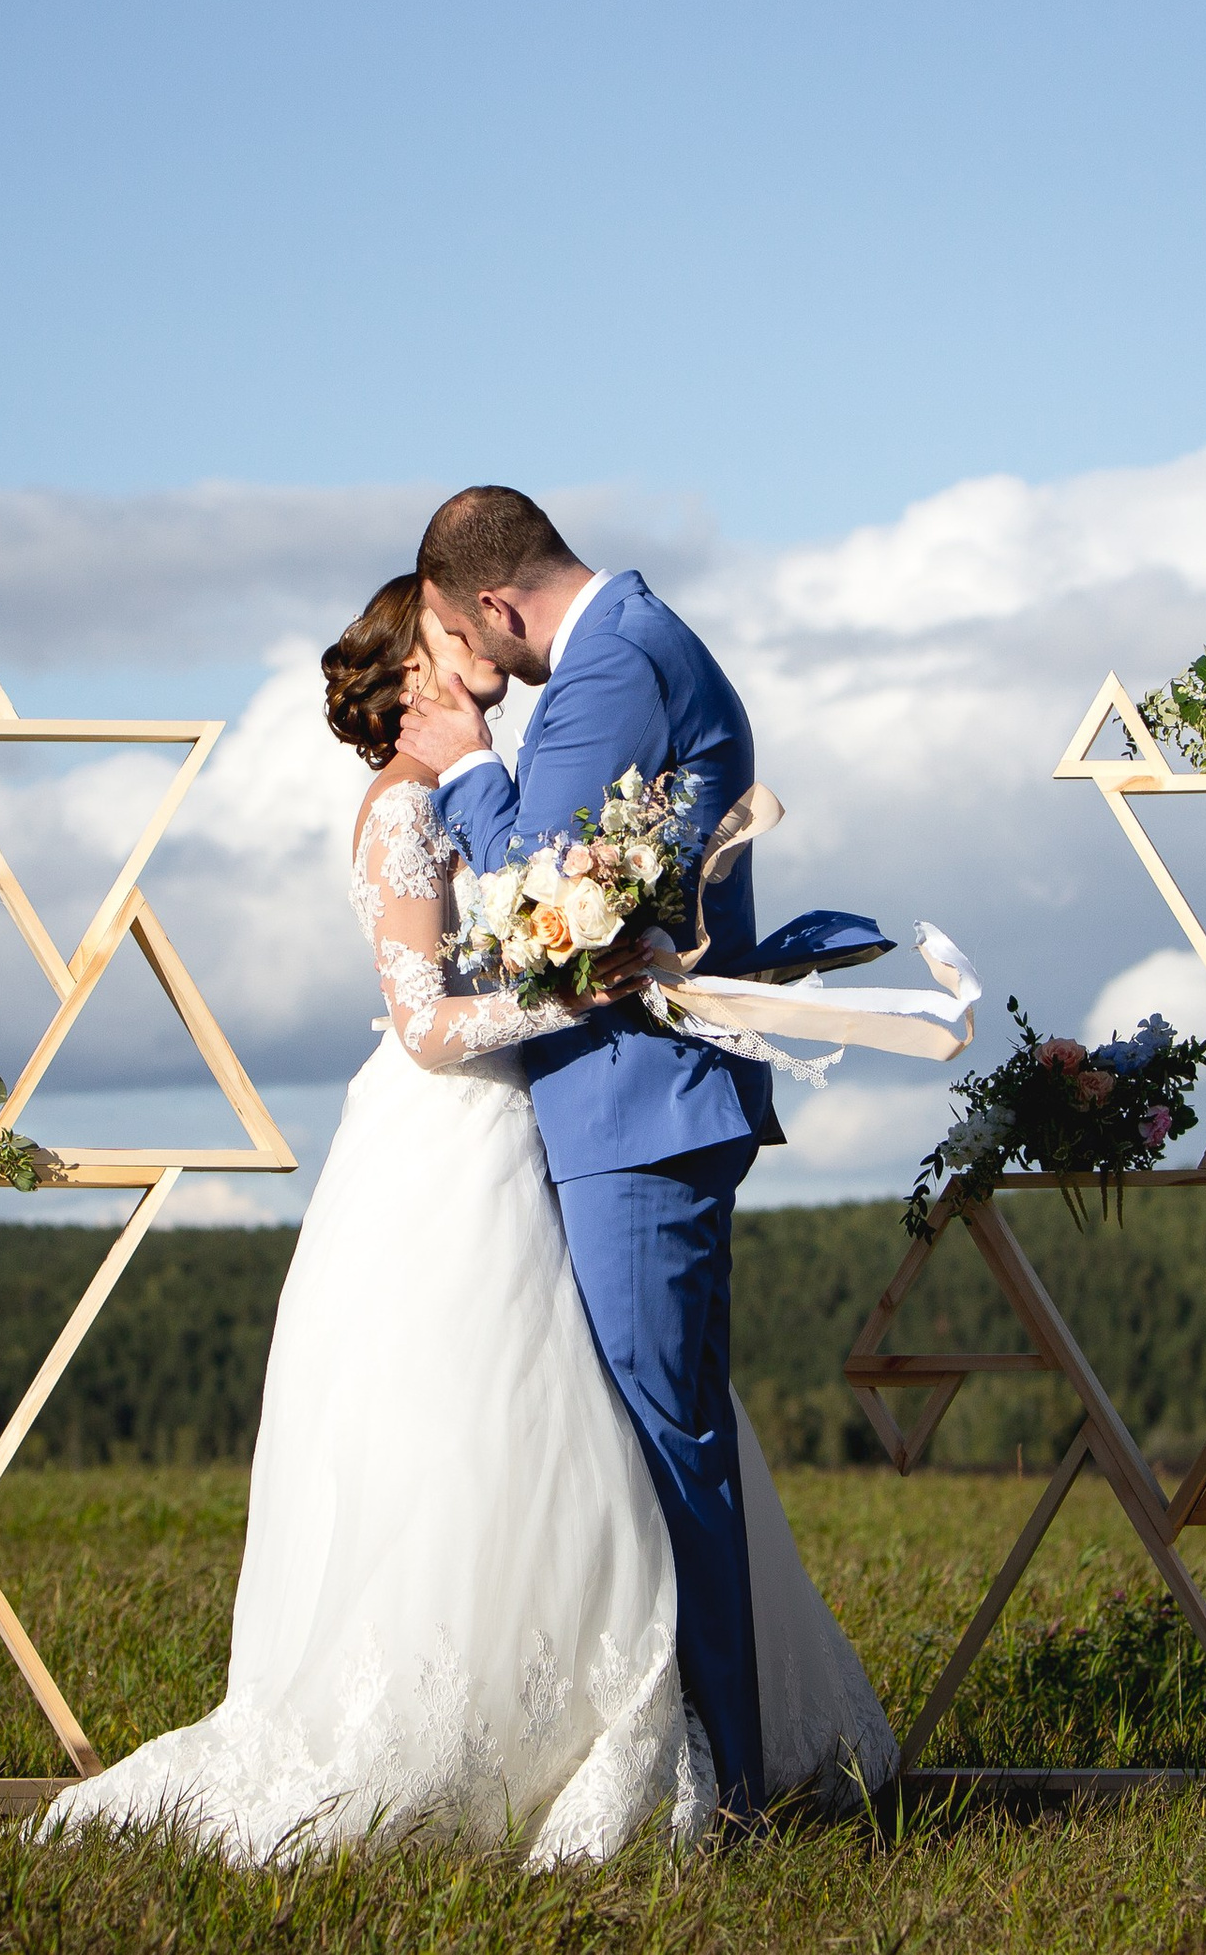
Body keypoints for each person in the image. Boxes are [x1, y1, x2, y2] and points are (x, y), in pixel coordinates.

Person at [40, 554, 891, 1866]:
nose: (481, 659)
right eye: (450, 644)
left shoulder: (480, 787)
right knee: (470, 1435)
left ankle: (648, 1716)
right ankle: (487, 1740)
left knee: (582, 1434)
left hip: (529, 1131)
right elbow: (427, 1025)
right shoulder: (402, 808)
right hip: (447, 1143)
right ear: (412, 671)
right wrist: (568, 994)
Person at [395, 486, 787, 1817]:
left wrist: (466, 766)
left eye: (463, 638)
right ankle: (707, 1769)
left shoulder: (607, 670)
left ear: (491, 606)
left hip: (636, 1106)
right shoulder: (643, 641)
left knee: (662, 1447)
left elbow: (532, 901)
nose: (472, 668)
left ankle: (723, 1791)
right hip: (649, 1103)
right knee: (663, 1438)